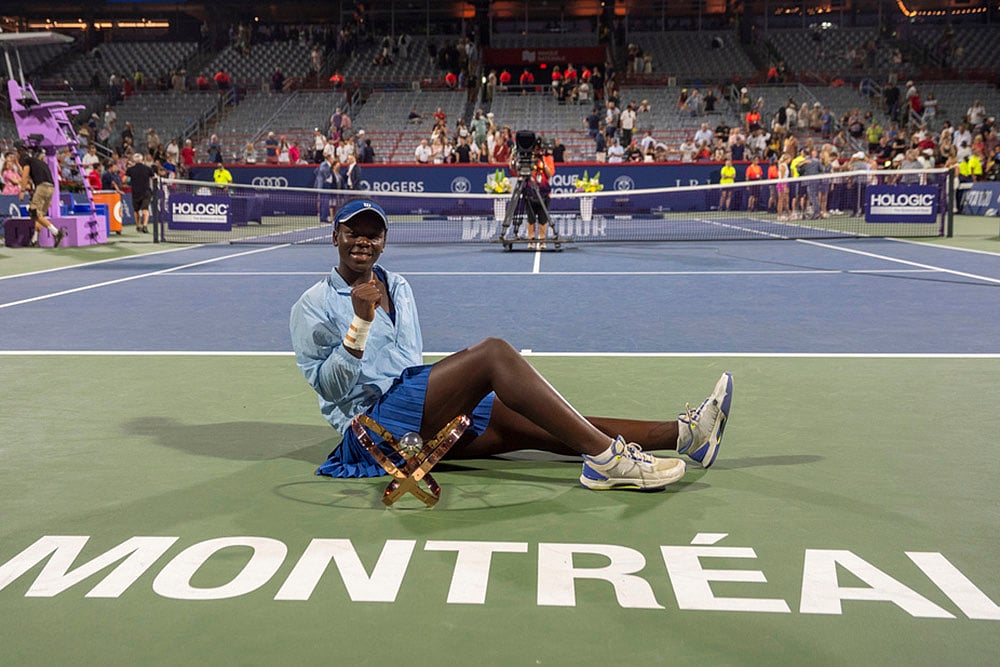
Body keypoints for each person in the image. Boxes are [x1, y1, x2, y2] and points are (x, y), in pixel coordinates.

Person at [290, 198, 733, 490]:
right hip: (372, 432)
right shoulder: (311, 306)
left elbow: (407, 363)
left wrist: (448, 394)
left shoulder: (398, 285)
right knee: (493, 354)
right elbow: (329, 390)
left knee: (537, 423)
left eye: (373, 233)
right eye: (353, 231)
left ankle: (685, 435)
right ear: (335, 237)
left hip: (414, 406)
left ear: (384, 242)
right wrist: (359, 325)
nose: (363, 241)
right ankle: (606, 462)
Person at [18, 147, 66, 247]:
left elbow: (25, 175)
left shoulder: (25, 160)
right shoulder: (40, 163)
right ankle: (34, 239)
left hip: (42, 187)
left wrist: (22, 191)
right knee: (39, 216)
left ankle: (56, 232)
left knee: (33, 212)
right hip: (51, 188)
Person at [126, 153, 156, 233]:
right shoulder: (148, 168)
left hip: (135, 192)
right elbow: (154, 178)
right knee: (145, 209)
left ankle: (138, 225)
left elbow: (124, 180)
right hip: (146, 191)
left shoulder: (130, 170)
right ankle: (145, 226)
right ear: (142, 160)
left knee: (136, 210)